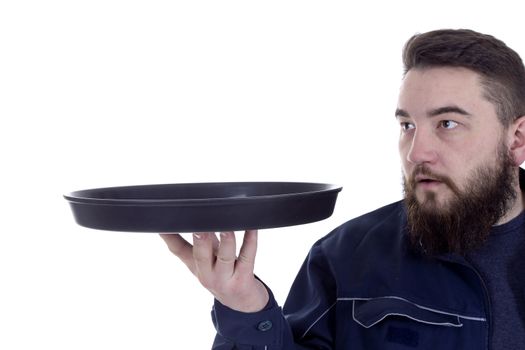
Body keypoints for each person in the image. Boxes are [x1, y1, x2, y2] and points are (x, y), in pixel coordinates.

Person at [160, 29, 525, 349]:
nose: (416, 153)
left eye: (447, 123)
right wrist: (245, 309)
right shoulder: (347, 257)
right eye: (407, 125)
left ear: (517, 138)